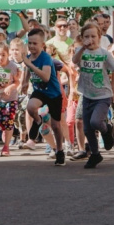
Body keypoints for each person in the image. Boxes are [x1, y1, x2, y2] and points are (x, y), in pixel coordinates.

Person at [72, 23, 114, 168]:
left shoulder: (104, 54)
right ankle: (95, 155)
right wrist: (82, 47)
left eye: (93, 36)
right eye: (87, 36)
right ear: (82, 38)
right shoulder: (80, 52)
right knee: (87, 129)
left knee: (95, 123)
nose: (90, 39)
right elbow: (74, 61)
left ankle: (107, 130)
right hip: (87, 95)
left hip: (103, 96)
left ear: (99, 38)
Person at [21, 28, 66, 165]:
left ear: (42, 45)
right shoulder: (29, 58)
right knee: (30, 107)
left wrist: (30, 65)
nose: (32, 46)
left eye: (35, 43)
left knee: (56, 125)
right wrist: (24, 83)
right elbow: (28, 70)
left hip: (53, 93)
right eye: (30, 43)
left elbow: (46, 77)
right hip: (39, 92)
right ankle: (38, 120)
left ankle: (59, 150)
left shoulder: (46, 58)